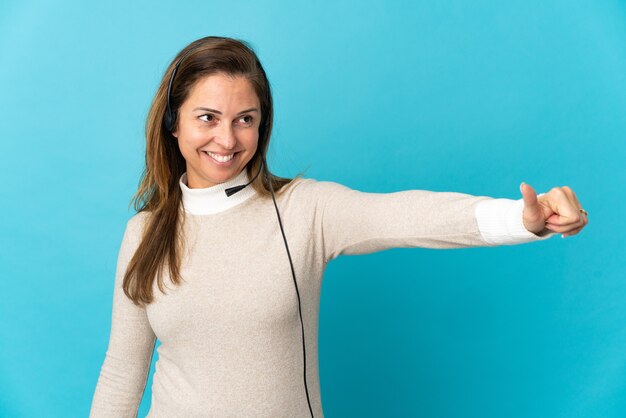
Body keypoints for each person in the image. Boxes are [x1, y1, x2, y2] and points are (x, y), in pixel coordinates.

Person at [89, 36, 588, 418]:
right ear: (173, 123)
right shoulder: (145, 232)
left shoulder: (303, 210)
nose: (227, 137)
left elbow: (407, 214)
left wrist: (524, 219)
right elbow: (123, 371)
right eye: (207, 117)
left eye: (245, 118)